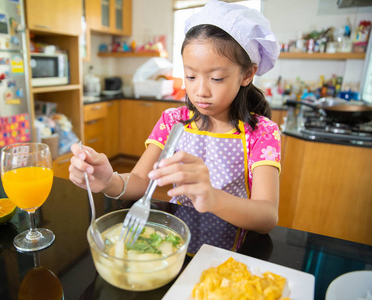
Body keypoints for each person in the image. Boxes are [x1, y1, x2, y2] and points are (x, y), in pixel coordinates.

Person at [69, 0, 281, 254]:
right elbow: (139, 181)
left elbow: (267, 216)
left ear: (247, 75)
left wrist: (212, 198)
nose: (200, 91)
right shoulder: (173, 120)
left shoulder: (263, 133)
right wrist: (108, 180)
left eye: (216, 78)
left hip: (228, 254)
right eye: (190, 76)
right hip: (172, 246)